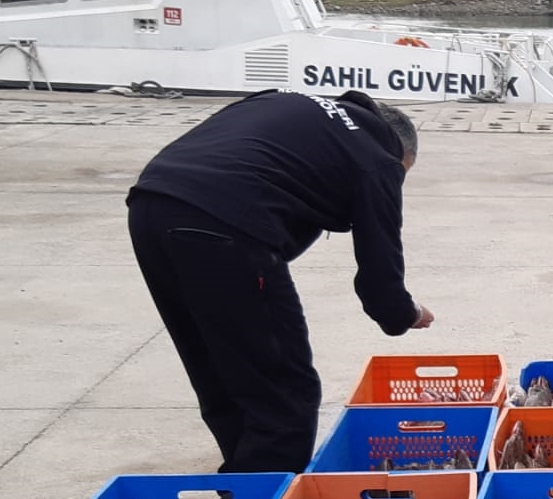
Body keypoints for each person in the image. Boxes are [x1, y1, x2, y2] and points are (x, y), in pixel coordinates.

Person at [126, 89, 434, 474]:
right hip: (226, 226)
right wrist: (406, 314)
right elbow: (380, 278)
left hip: (150, 206)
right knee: (286, 395)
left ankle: (243, 489)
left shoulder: (292, 104)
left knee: (219, 371)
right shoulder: (377, 157)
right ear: (401, 152)